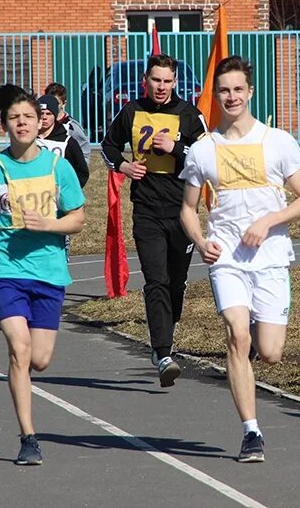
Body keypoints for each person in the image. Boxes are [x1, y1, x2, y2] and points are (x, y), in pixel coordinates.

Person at [179, 56, 300, 463]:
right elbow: (187, 209)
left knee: (271, 351)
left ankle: (255, 351)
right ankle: (251, 432)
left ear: (250, 92)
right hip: (226, 257)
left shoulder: (277, 140)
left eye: (238, 89)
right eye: (224, 90)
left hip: (270, 256)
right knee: (236, 334)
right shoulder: (203, 150)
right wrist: (201, 241)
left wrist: (268, 221)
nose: (231, 96)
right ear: (215, 95)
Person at [0, 84, 86, 466]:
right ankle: (28, 437)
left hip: (49, 272)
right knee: (19, 349)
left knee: (41, 359)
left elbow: (78, 218)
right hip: (7, 270)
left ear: (40, 123)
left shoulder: (56, 167)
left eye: (28, 117)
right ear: (5, 124)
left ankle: (26, 388)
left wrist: (49, 224)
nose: (22, 124)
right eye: (14, 118)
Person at [101, 53, 206, 387]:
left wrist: (175, 147)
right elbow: (108, 146)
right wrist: (124, 167)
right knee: (156, 280)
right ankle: (163, 353)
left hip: (182, 211)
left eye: (167, 81)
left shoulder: (190, 115)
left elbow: (207, 159)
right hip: (146, 210)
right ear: (145, 80)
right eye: (155, 80)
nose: (161, 87)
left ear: (175, 83)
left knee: (175, 283)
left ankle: (166, 329)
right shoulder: (131, 111)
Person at [36, 94, 89, 189]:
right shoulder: (29, 141)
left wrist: (69, 191)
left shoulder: (67, 142)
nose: (44, 117)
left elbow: (82, 172)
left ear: (55, 115)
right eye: (41, 113)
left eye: (48, 114)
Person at [44, 82, 91, 163]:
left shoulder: (71, 127)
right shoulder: (39, 124)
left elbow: (84, 153)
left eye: (57, 103)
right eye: (50, 102)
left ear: (64, 104)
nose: (52, 105)